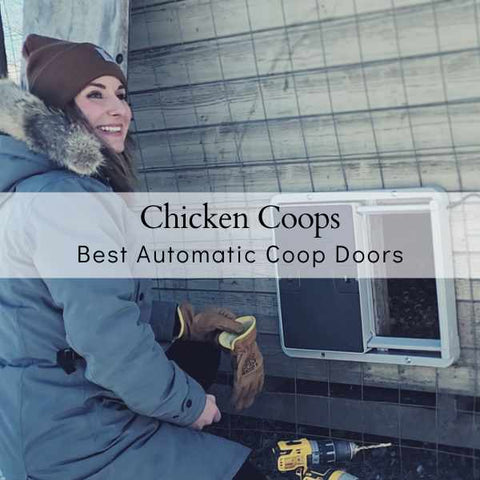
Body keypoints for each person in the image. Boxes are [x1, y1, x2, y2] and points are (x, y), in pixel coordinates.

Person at [0, 34, 266, 480]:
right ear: (58, 114)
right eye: (95, 95)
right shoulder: (67, 202)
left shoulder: (35, 190)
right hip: (75, 435)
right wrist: (191, 406)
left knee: (196, 355)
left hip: (36, 414)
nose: (119, 109)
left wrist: (185, 322)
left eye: (121, 95)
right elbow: (109, 342)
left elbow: (71, 312)